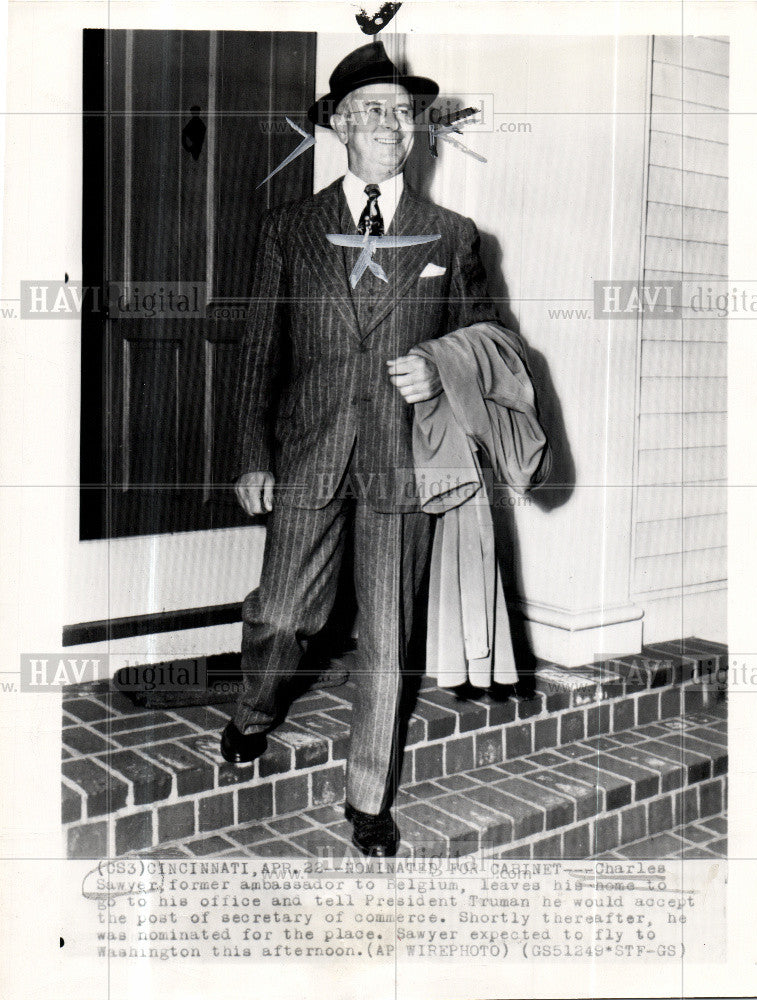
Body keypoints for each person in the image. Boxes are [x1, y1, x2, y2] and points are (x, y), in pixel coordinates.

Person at [221, 41, 501, 856]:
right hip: (308, 451)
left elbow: (494, 339)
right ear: (337, 124)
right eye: (371, 110)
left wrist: (441, 364)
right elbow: (257, 349)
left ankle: (368, 798)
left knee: (388, 632)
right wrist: (252, 452)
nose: (389, 123)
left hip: (401, 458)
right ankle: (252, 713)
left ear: (417, 131)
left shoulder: (451, 233)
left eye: (402, 112)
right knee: (280, 613)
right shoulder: (289, 228)